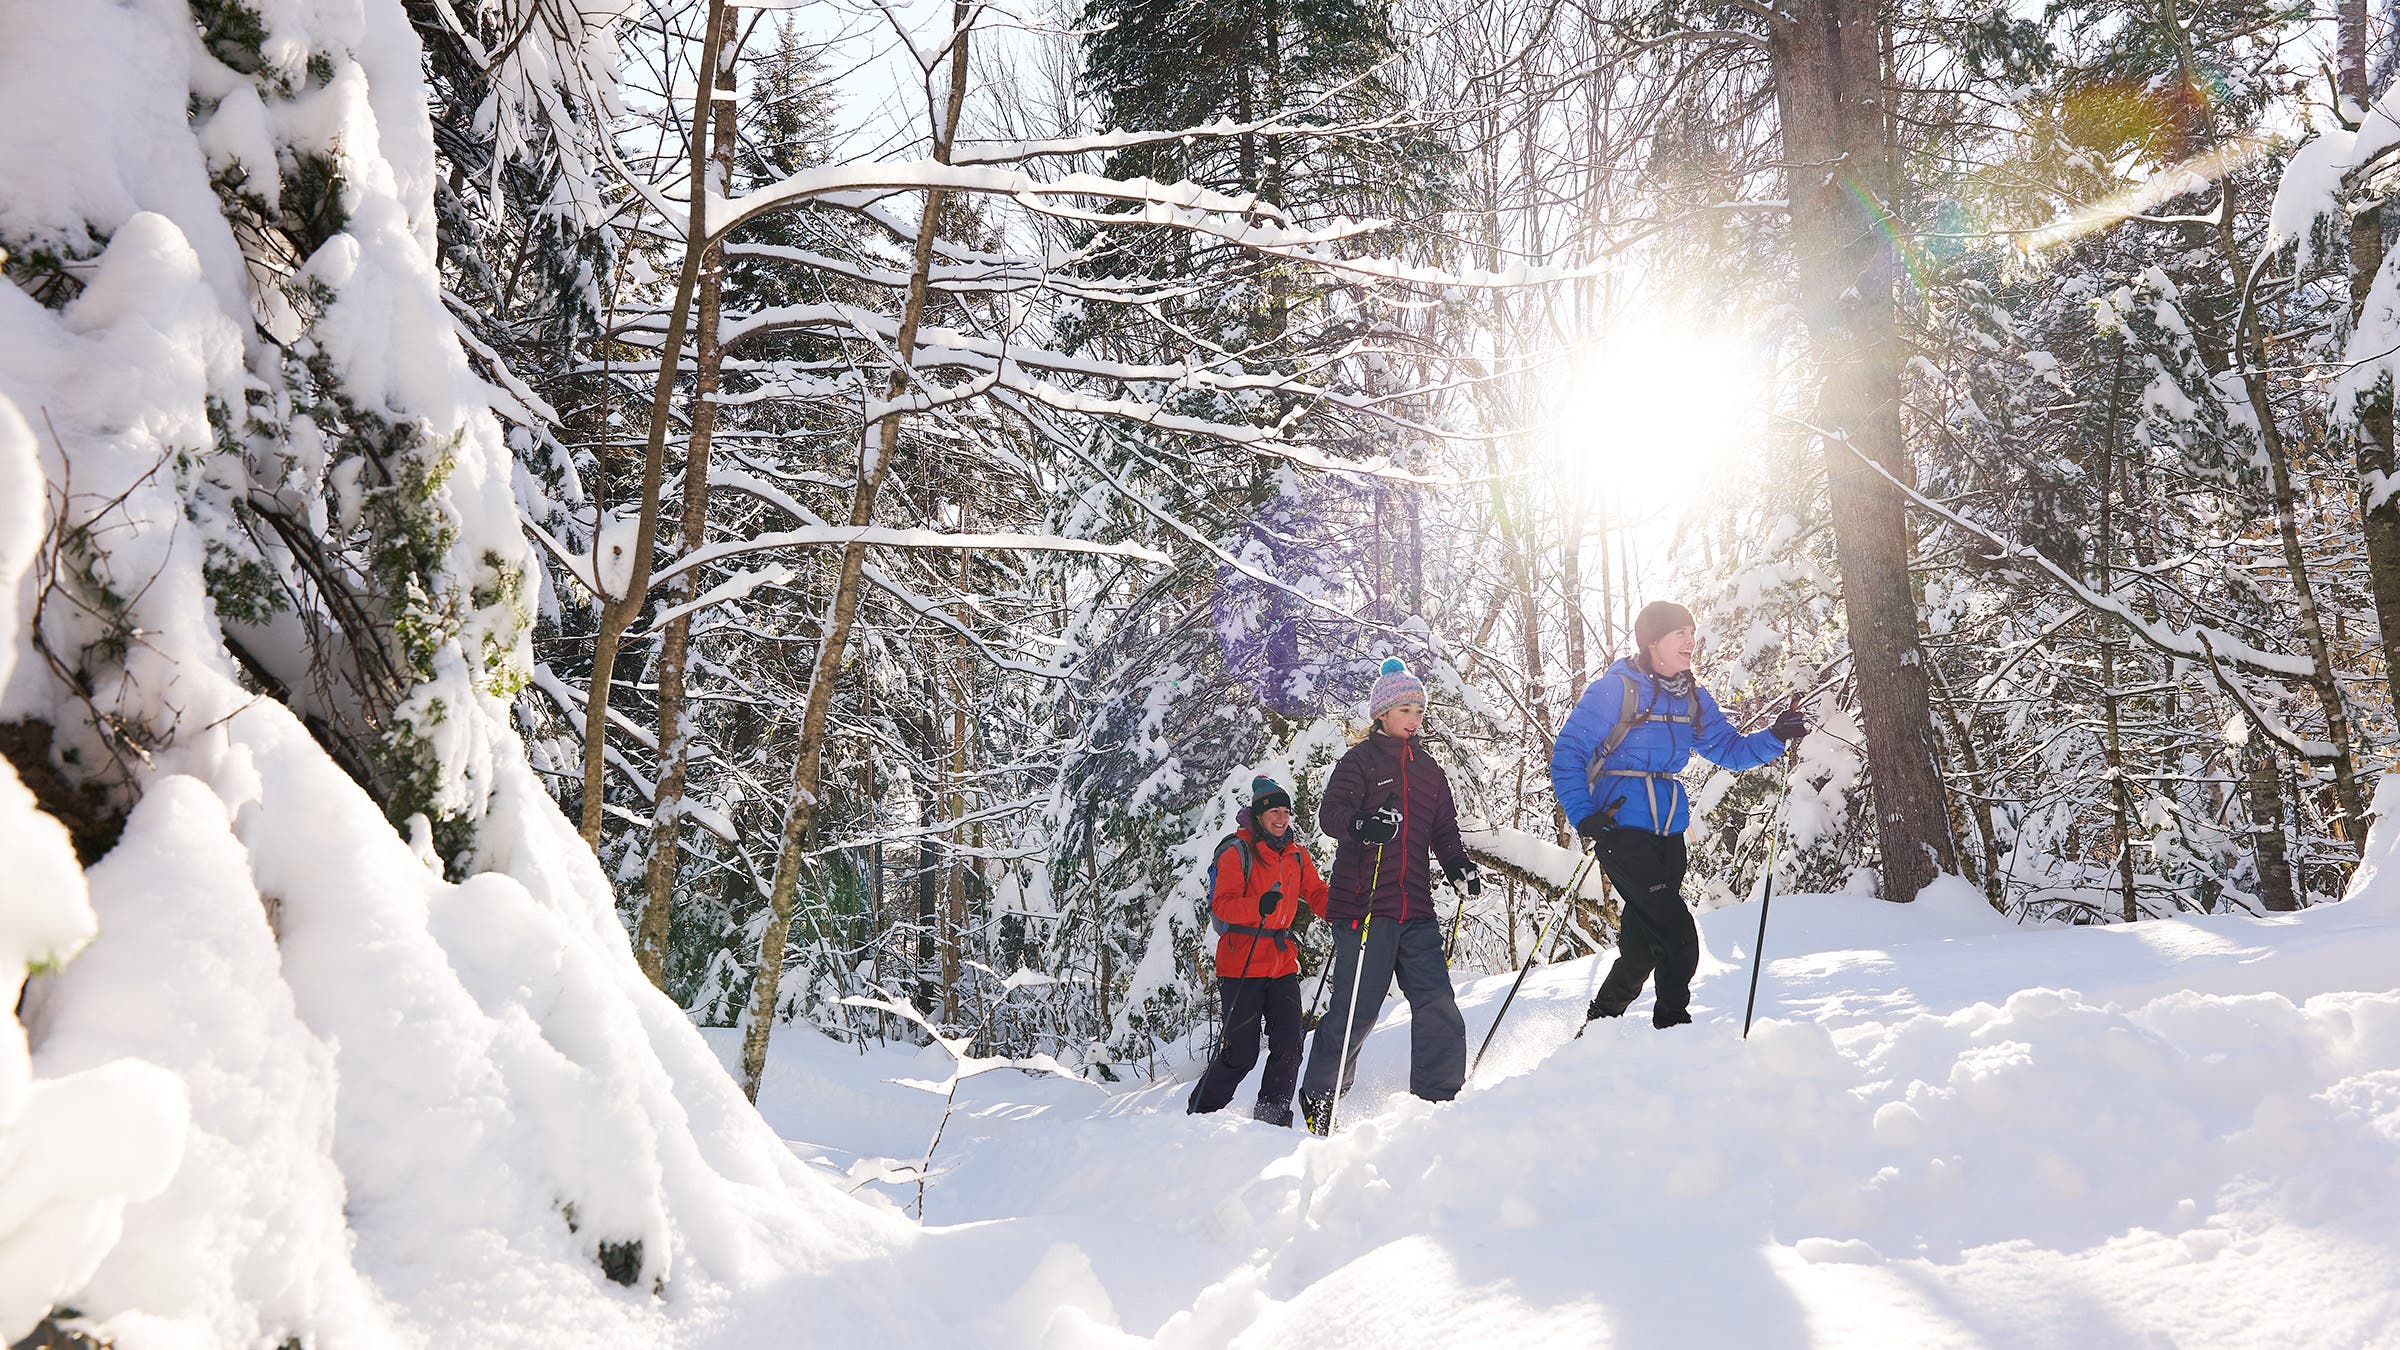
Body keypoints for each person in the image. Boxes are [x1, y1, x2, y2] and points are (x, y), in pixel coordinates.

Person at [1548, 601, 1809, 1029]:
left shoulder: (1693, 696)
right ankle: (1673, 1029)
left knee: (1641, 948)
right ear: (1653, 642)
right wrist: (1584, 816)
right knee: (1678, 936)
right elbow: (1568, 754)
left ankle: (1595, 1032)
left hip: (1669, 830)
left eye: (1692, 631)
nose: (1691, 640)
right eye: (1679, 633)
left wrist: (1774, 736)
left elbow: (1729, 750)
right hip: (1619, 827)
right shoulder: (1614, 690)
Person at [1298, 658, 1481, 1135]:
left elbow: (1444, 833)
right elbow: (1330, 814)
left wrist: (1459, 867)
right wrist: (1362, 824)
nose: (1415, 717)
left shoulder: (1430, 772)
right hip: (1363, 908)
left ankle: (1440, 1101)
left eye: (1420, 709)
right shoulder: (1359, 761)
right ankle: (1320, 1103)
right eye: (1405, 708)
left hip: (1415, 908)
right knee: (1357, 1009)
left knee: (1437, 1001)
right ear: (1382, 713)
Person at [1186, 775, 1330, 1126]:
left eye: (1285, 811)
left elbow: (1316, 893)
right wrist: (1257, 906)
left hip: (1281, 964)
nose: (1281, 818)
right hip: (1240, 965)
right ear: (1260, 816)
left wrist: (1348, 909)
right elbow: (1221, 906)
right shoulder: (1237, 852)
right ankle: (1199, 1114)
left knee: (1289, 1046)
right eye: (1274, 812)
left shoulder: (1296, 855)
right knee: (1242, 1054)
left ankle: (1271, 1120)